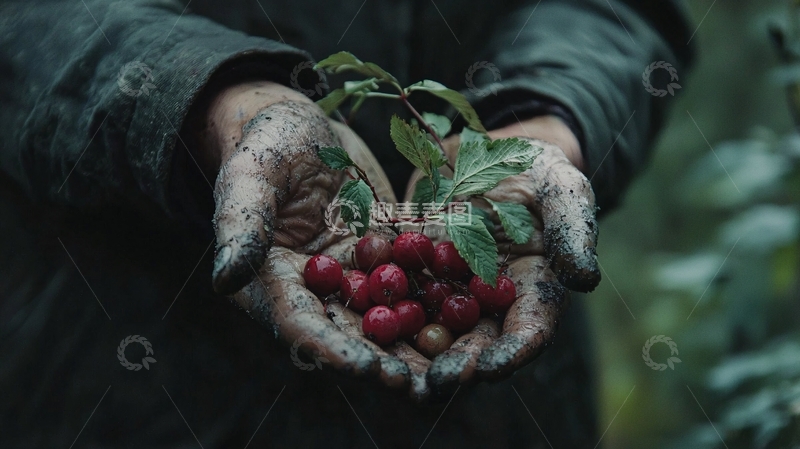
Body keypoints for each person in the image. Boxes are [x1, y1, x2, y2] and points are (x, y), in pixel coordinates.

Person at [0, 0, 692, 447]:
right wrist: (212, 100)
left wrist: (544, 120)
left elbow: (614, 12)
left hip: (502, 418)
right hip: (127, 390)